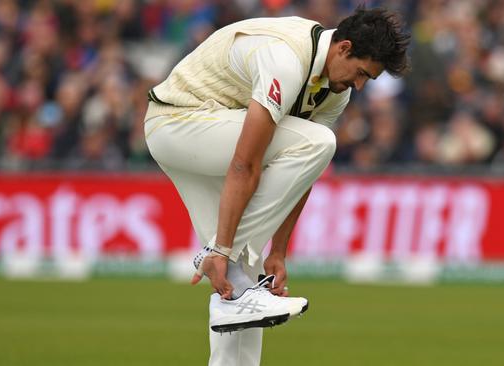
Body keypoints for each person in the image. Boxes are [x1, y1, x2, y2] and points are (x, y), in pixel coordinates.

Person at [143, 6, 409, 366]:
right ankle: (217, 254)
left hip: (210, 134)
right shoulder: (286, 59)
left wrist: (278, 251)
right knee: (318, 142)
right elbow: (246, 162)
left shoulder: (335, 88)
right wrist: (222, 247)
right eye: (361, 73)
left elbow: (301, 174)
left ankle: (229, 277)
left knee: (243, 281)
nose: (359, 86)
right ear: (344, 48)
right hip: (179, 123)